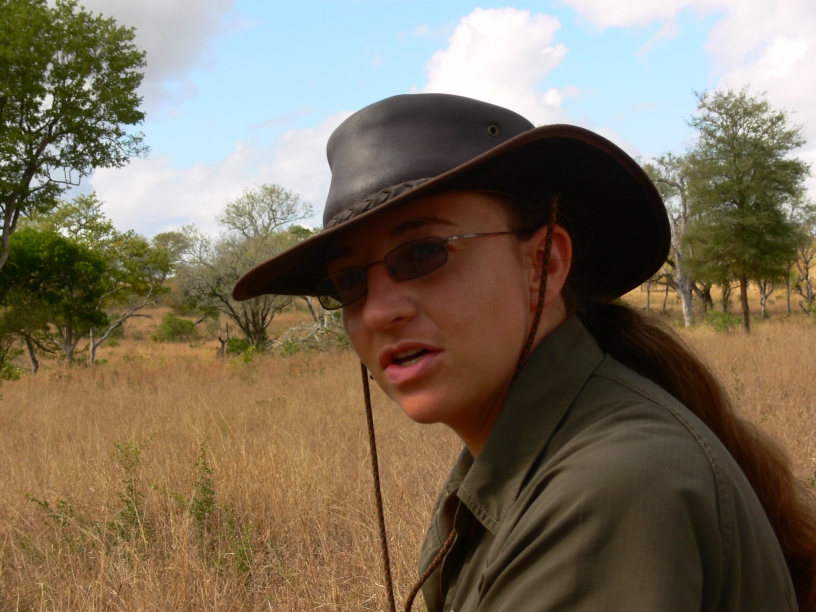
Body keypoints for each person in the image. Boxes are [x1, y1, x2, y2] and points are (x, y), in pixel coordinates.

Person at [234, 93, 816, 612]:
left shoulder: (607, 486)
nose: (379, 311)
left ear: (544, 264)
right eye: (350, 280)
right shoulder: (518, 461)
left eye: (423, 253)